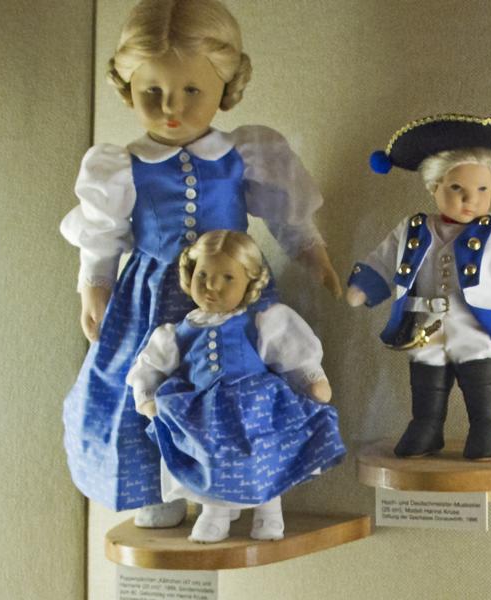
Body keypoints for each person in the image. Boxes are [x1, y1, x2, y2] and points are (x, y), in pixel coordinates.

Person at [60, 0, 341, 526]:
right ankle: (157, 491)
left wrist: (312, 252)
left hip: (236, 288)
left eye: (192, 90)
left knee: (238, 382)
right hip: (150, 294)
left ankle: (241, 485)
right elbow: (102, 233)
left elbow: (285, 213)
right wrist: (94, 283)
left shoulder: (246, 153)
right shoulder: (120, 167)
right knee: (145, 382)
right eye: (152, 91)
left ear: (225, 87)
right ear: (128, 87)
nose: (172, 106)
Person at [347, 114, 491, 460]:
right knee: (426, 381)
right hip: (425, 325)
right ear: (434, 186)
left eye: (482, 189)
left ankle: (487, 427)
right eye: (457, 188)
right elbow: (385, 256)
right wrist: (366, 284)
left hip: (477, 326)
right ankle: (426, 427)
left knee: (480, 383)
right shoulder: (413, 228)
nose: (471, 199)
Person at [127, 230, 345, 543]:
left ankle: (270, 513)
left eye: (227, 277)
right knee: (212, 461)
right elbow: (150, 365)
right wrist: (146, 395)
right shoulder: (179, 332)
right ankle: (214, 515)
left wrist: (312, 379)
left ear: (249, 282)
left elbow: (289, 352)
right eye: (203, 275)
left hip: (257, 406)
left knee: (265, 457)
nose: (212, 286)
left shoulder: (261, 322)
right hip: (204, 413)